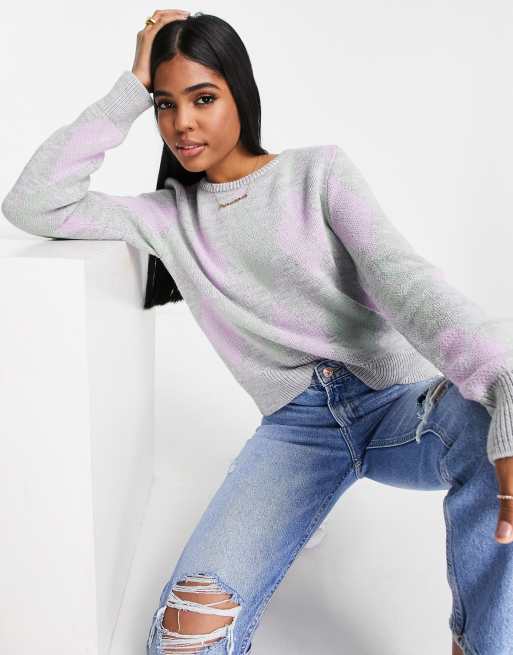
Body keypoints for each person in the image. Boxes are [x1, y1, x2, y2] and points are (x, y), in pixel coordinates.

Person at [3, 9, 513, 655]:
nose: (181, 123)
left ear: (239, 93)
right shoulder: (165, 218)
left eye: (203, 98)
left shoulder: (317, 173)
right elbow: (34, 201)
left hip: (399, 406)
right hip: (296, 432)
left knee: (497, 429)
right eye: (166, 104)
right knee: (185, 639)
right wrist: (131, 85)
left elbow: (404, 281)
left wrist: (502, 376)